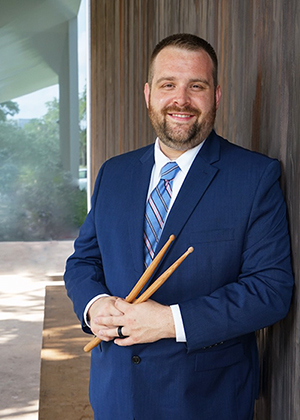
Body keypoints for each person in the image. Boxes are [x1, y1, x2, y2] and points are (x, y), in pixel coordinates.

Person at [64, 33, 293, 420]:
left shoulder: (255, 177)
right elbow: (84, 260)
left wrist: (169, 321)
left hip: (204, 398)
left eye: (196, 86)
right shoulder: (114, 173)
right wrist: (94, 305)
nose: (181, 100)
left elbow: (270, 290)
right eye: (168, 84)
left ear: (216, 96)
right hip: (114, 392)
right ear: (148, 94)